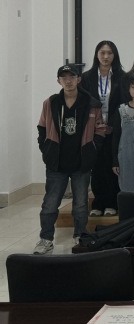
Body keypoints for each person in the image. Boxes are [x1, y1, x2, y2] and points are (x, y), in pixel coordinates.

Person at [34, 64, 106, 254]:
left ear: (78, 79)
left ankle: (80, 236)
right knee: (50, 204)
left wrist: (92, 150)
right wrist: (46, 149)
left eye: (72, 77)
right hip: (56, 163)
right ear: (58, 81)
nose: (68, 80)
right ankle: (46, 239)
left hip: (81, 163)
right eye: (64, 77)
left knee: (81, 204)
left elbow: (100, 129)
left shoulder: (91, 103)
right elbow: (42, 127)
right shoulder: (51, 102)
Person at [81, 40, 124, 218]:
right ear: (97, 55)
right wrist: (97, 125)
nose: (106, 57)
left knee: (113, 165)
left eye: (109, 53)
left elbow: (123, 103)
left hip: (115, 128)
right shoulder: (86, 77)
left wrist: (111, 125)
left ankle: (112, 203)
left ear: (115, 55)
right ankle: (98, 204)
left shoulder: (122, 76)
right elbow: (84, 103)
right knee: (97, 167)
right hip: (93, 129)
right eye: (102, 53)